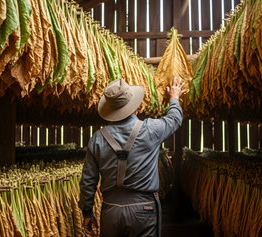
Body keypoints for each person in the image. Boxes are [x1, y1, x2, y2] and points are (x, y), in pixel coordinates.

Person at [78, 77, 184, 237]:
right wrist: (174, 98)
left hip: (110, 211)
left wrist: (87, 212)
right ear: (134, 106)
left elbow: (88, 181)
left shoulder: (97, 139)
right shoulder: (151, 129)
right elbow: (174, 120)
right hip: (144, 210)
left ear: (110, 110)